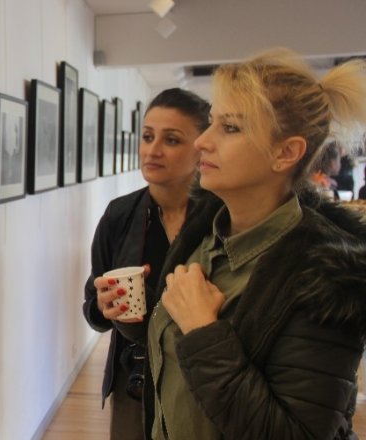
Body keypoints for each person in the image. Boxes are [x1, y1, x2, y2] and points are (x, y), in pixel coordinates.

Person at [107, 48, 366, 439]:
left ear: (286, 152)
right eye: (212, 122)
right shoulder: (205, 231)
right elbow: (177, 361)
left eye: (229, 128)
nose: (202, 142)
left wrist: (202, 332)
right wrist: (134, 322)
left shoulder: (324, 278)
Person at [82, 88, 210, 440]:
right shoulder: (120, 215)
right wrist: (104, 307)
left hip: (200, 381)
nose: (153, 150)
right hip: (135, 381)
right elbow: (92, 303)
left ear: (202, 149)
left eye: (171, 140)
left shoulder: (221, 217)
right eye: (148, 136)